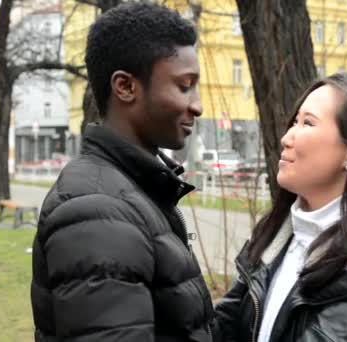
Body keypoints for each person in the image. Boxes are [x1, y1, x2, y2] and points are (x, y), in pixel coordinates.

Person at [30, 3, 214, 341]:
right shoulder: (97, 211)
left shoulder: (132, 189)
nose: (197, 105)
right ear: (126, 87)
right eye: (184, 86)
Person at [212, 73, 347, 342]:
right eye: (294, 122)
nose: (287, 138)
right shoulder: (278, 234)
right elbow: (221, 327)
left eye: (308, 123)